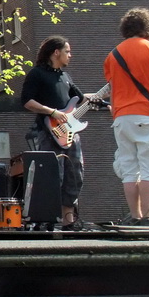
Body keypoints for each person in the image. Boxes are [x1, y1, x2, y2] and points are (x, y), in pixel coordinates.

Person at [21, 36, 105, 227]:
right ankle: (48, 220)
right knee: (53, 176)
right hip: (48, 133)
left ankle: (68, 221)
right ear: (56, 52)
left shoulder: (65, 77)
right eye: (67, 51)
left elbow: (81, 99)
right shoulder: (37, 74)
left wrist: (104, 96)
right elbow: (26, 101)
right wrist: (53, 112)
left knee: (75, 175)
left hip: (70, 134)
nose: (70, 55)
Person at [104, 7, 149, 226]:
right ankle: (148, 217)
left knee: (129, 168)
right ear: (148, 27)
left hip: (121, 117)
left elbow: (113, 87)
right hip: (146, 114)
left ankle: (135, 216)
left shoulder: (113, 55)